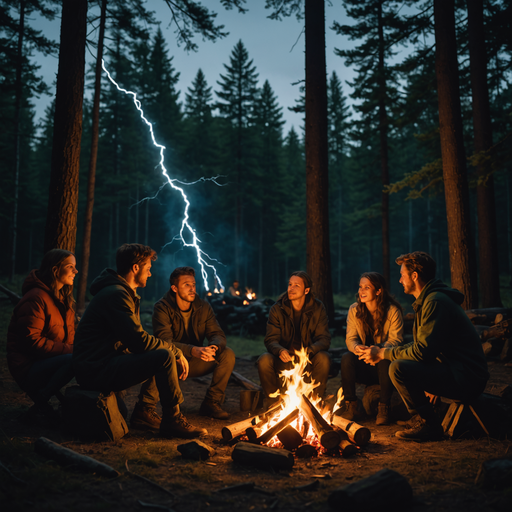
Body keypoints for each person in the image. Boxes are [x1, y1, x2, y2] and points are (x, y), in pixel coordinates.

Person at [73, 243, 206, 439]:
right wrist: (176, 351)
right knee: (164, 356)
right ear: (135, 268)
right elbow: (139, 341)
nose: (150, 274)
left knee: (158, 353)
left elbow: (134, 339)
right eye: (148, 268)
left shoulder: (121, 292)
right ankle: (172, 420)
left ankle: (145, 412)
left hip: (101, 363)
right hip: (95, 369)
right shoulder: (116, 295)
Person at [360, 251, 489, 441]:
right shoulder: (430, 300)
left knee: (397, 367)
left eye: (402, 275)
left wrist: (382, 353)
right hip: (458, 371)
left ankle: (427, 424)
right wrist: (430, 382)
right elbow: (432, 345)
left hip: (467, 378)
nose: (400, 280)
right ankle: (424, 420)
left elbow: (422, 350)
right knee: (400, 364)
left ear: (414, 276)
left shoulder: (435, 301)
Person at [152, 267, 235, 420]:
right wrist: (193, 350)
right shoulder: (162, 308)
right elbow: (165, 342)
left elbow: (217, 334)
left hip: (196, 361)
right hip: (173, 362)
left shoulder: (203, 306)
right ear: (174, 288)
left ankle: (211, 403)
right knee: (160, 358)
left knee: (227, 354)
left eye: (194, 284)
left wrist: (213, 347)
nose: (192, 289)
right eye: (186, 285)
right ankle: (148, 409)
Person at [7, 249, 77, 421]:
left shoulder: (61, 299)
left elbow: (67, 336)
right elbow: (31, 341)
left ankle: (72, 407)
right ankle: (41, 403)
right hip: (27, 367)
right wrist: (70, 350)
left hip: (44, 361)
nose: (76, 271)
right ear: (55, 270)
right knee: (75, 358)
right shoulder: (36, 298)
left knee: (82, 356)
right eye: (70, 267)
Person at [257, 271, 331, 405]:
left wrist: (308, 352)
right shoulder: (277, 309)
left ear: (306, 290)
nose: (291, 288)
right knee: (264, 360)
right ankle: (273, 403)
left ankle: (315, 402)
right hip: (284, 359)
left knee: (324, 358)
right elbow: (271, 339)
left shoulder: (317, 308)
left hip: (308, 359)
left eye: (297, 285)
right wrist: (280, 350)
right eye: (290, 284)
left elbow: (324, 339)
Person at [340, 272, 403, 425]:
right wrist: (358, 348)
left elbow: (396, 340)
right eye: (360, 287)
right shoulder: (354, 310)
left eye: (367, 287)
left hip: (384, 367)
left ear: (378, 290)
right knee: (346, 358)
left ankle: (384, 408)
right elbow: (350, 339)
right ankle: (351, 406)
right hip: (363, 363)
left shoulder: (392, 310)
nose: (361, 291)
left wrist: (378, 350)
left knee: (384, 358)